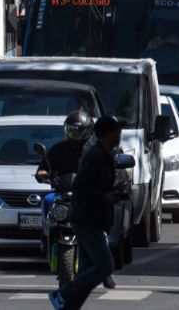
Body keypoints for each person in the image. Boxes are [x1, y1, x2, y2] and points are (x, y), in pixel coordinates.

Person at [36, 111, 117, 290]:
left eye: (79, 131)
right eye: (72, 131)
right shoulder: (58, 149)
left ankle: (106, 271)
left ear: (88, 131)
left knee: (99, 230)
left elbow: (110, 173)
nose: (76, 135)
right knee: (47, 200)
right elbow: (43, 168)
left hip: (88, 197)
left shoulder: (96, 151)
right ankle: (45, 234)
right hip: (62, 193)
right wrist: (42, 173)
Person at [50, 115, 124, 310]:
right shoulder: (95, 155)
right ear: (108, 133)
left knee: (87, 273)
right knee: (105, 266)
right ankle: (62, 293)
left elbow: (98, 184)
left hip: (94, 220)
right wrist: (104, 197)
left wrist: (115, 191)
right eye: (117, 131)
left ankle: (68, 307)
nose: (120, 134)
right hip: (87, 220)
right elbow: (80, 186)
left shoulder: (105, 154)